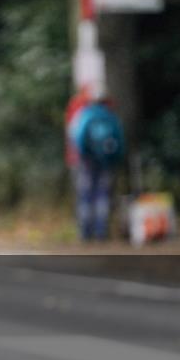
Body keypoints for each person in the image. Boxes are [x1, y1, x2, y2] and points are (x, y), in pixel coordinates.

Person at [66, 83, 125, 241]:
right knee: (102, 194)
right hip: (106, 161)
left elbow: (76, 137)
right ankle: (101, 231)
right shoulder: (111, 116)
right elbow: (120, 139)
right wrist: (115, 158)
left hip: (86, 161)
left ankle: (85, 232)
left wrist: (83, 155)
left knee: (85, 195)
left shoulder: (85, 115)